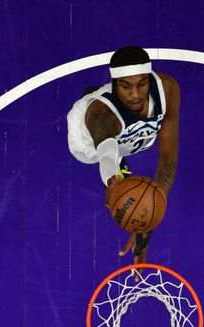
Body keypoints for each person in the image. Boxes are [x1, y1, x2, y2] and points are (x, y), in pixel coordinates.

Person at [66, 46, 180, 266]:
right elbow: (107, 156)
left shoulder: (168, 90)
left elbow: (168, 160)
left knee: (143, 141)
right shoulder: (101, 115)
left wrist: (146, 226)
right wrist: (114, 183)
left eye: (141, 84)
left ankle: (114, 113)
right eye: (125, 86)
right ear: (113, 81)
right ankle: (93, 98)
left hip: (135, 139)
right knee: (103, 152)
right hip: (89, 142)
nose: (135, 94)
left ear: (149, 77)